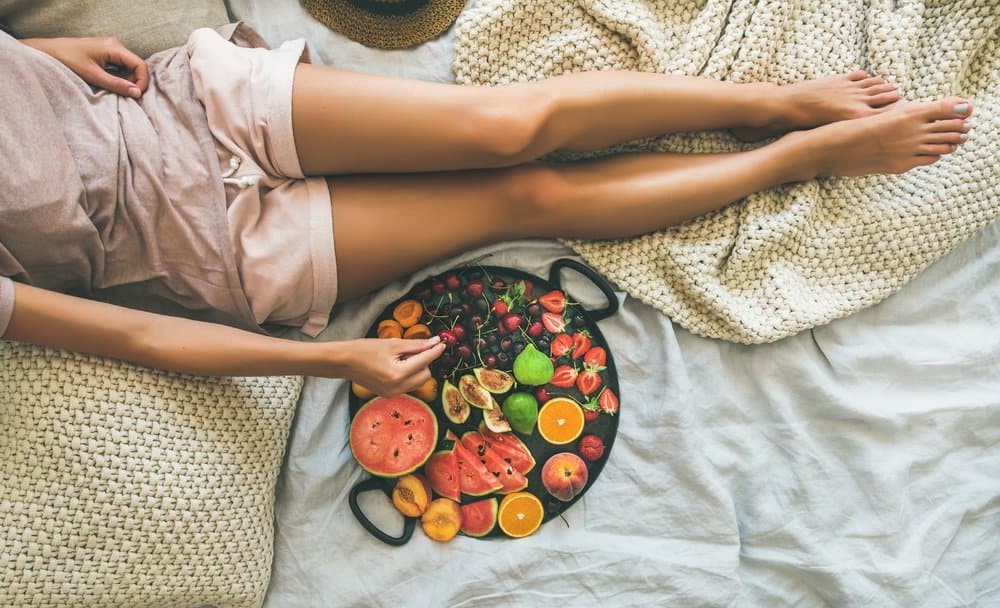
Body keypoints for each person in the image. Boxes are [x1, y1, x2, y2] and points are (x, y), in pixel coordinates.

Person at [0, 24, 974, 397]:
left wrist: (36, 53)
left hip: (188, 106)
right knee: (528, 197)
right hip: (220, 252)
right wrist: (333, 357)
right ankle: (805, 155)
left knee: (515, 124)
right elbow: (137, 335)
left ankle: (771, 104)